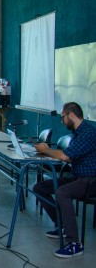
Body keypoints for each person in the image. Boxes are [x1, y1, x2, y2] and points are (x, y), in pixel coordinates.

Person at [33, 102, 96, 258]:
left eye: (63, 117)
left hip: (91, 181)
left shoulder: (88, 133)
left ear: (72, 115)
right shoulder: (78, 132)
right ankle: (62, 225)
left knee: (62, 192)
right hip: (78, 177)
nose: (62, 121)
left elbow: (65, 156)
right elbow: (68, 157)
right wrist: (48, 153)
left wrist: (47, 150)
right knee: (39, 188)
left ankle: (75, 244)